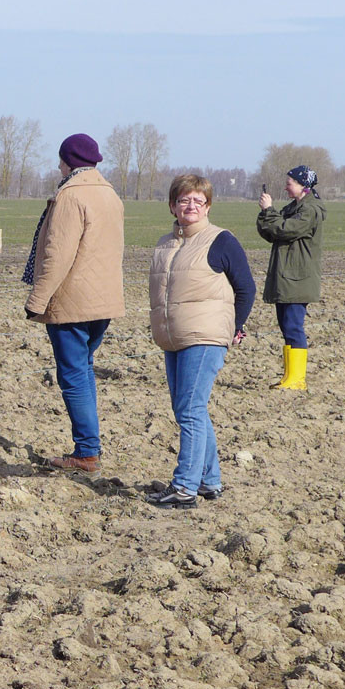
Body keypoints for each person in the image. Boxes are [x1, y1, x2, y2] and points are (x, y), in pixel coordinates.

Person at [145, 175, 256, 509]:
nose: (190, 206)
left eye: (198, 201)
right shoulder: (166, 244)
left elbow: (246, 288)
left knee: (190, 410)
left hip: (206, 337)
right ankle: (209, 481)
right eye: (183, 200)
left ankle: (184, 487)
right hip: (173, 336)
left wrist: (233, 326)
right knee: (188, 409)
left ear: (208, 206)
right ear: (172, 206)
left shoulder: (220, 241)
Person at [24, 133, 124, 478]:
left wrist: (36, 300)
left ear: (69, 161)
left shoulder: (70, 196)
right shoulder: (110, 194)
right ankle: (89, 446)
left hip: (72, 301)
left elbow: (57, 255)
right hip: (104, 302)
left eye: (60, 159)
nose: (57, 165)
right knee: (84, 368)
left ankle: (86, 452)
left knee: (73, 375)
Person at [256, 165, 326, 390]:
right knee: (286, 327)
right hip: (287, 278)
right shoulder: (294, 207)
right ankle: (289, 377)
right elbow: (270, 231)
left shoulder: (310, 210)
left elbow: (285, 230)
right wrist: (267, 214)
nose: (286, 186)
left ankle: (297, 380)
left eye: (290, 182)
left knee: (294, 327)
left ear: (303, 184)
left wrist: (269, 212)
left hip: (298, 279)